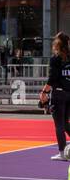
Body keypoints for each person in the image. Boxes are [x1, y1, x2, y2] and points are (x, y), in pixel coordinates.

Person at [40, 31, 70, 162]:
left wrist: (44, 92)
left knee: (59, 125)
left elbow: (52, 78)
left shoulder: (55, 59)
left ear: (56, 44)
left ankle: (62, 153)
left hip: (58, 94)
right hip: (69, 94)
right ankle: (63, 152)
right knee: (65, 123)